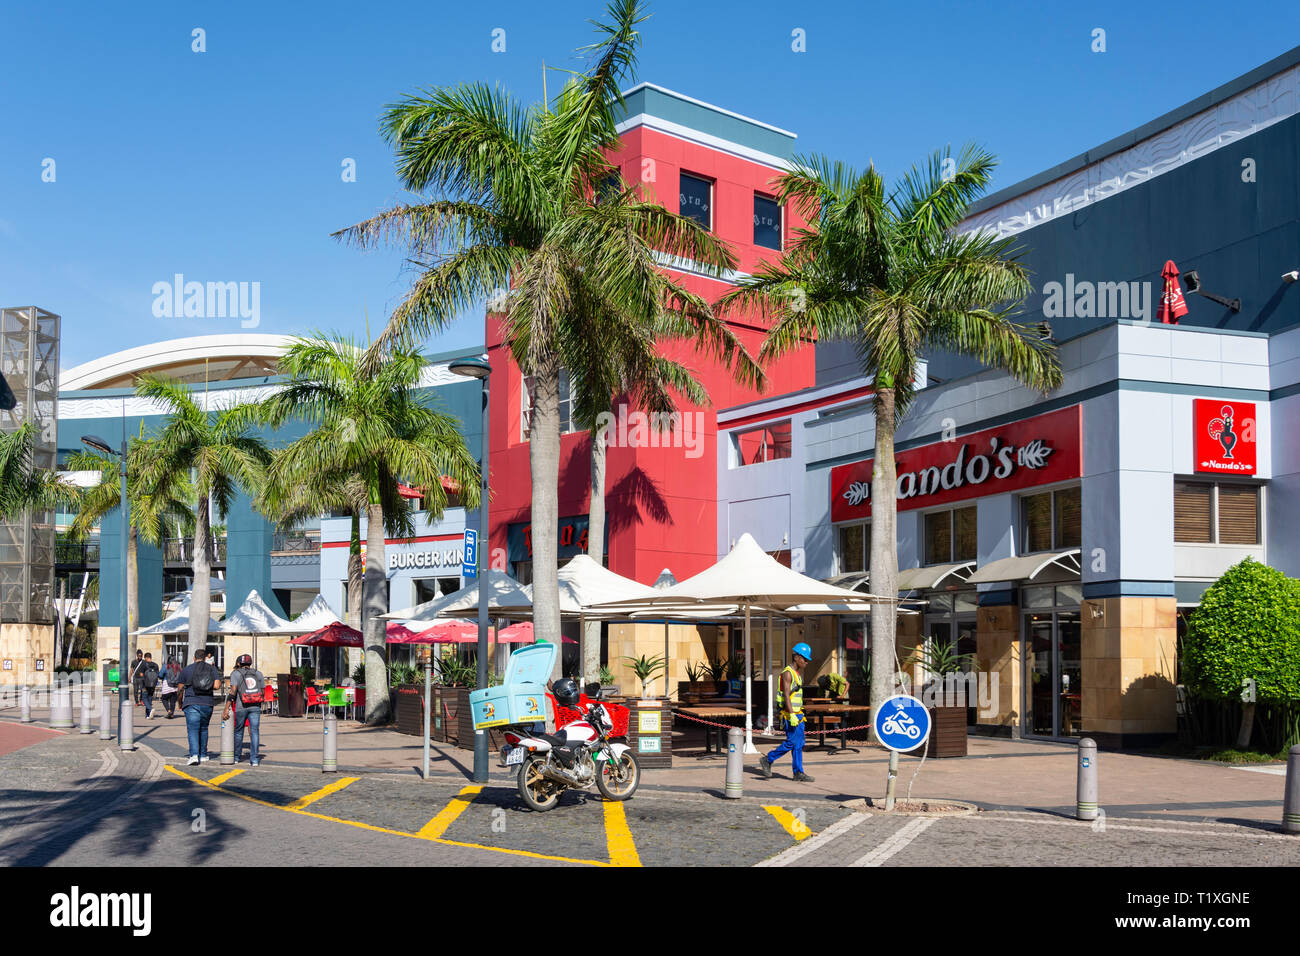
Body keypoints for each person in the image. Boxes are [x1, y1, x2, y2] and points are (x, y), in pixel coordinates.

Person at [757, 643, 815, 783]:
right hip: (790, 715)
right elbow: (787, 696)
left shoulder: (797, 674)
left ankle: (798, 772)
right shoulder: (787, 673)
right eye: (804, 659)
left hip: (798, 714)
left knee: (799, 744)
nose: (806, 662)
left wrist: (798, 713)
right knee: (792, 742)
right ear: (796, 657)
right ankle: (768, 759)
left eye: (807, 659)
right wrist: (792, 715)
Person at [176, 648, 218, 766]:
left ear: (194, 658)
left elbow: (180, 689)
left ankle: (194, 755)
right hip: (207, 703)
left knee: (193, 729)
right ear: (205, 658)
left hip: (191, 703)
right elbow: (217, 685)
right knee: (204, 728)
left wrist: (180, 703)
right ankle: (203, 755)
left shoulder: (187, 669)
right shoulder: (212, 668)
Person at [224, 654, 266, 766]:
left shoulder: (236, 674)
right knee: (255, 732)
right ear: (250, 663)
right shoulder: (258, 673)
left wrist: (226, 708)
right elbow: (263, 692)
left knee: (238, 732)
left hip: (240, 706)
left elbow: (233, 692)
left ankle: (237, 757)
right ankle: (255, 759)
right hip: (255, 706)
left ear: (239, 663)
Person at [139, 653, 160, 718]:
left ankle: (150, 709)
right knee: (150, 698)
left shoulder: (143, 664)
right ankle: (148, 715)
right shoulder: (156, 665)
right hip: (153, 685)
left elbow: (141, 674)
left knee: (144, 698)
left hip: (145, 685)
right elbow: (157, 675)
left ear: (146, 658)